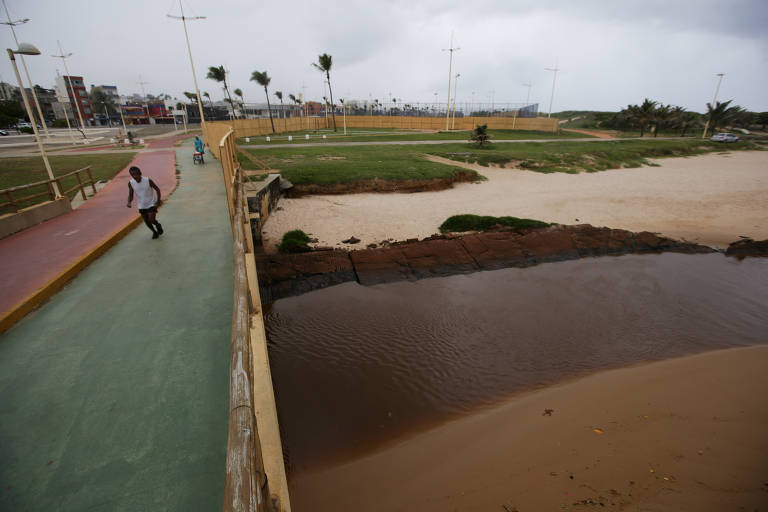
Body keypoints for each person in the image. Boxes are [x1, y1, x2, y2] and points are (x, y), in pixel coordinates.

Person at [126, 166, 164, 239]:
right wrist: (129, 202)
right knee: (147, 221)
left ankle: (157, 224)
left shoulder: (147, 180)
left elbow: (157, 189)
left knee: (152, 219)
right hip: (141, 205)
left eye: (136, 174)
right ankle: (154, 232)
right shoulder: (131, 183)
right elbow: (131, 195)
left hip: (151, 203)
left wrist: (158, 200)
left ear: (140, 173)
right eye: (132, 175)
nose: (135, 176)